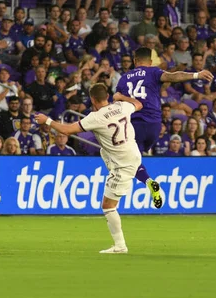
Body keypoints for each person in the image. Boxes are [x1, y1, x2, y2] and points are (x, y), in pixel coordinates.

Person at [35, 84, 144, 254]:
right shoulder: (121, 106)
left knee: (108, 206)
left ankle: (120, 246)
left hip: (123, 165)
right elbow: (138, 104)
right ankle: (120, 244)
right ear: (107, 96)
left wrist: (47, 121)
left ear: (92, 99)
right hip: (134, 156)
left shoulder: (95, 117)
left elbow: (67, 130)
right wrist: (122, 97)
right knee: (103, 149)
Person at [114, 47, 213, 204]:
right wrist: (196, 75)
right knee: (136, 158)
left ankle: (147, 182)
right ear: (151, 61)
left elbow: (118, 103)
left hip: (134, 125)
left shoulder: (124, 78)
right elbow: (173, 76)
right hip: (154, 125)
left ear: (134, 61)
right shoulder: (154, 72)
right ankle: (147, 179)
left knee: (129, 161)